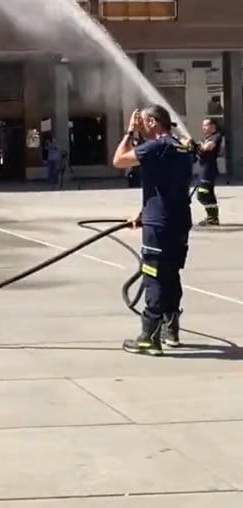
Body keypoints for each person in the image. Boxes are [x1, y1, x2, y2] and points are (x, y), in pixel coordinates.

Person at [112, 105, 194, 355]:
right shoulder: (182, 146)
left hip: (159, 225)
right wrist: (143, 211)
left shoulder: (156, 146)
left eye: (144, 123)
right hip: (178, 220)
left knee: (154, 276)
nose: (141, 127)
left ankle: (149, 336)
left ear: (152, 122)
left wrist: (128, 132)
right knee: (171, 274)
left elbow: (118, 161)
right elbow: (167, 183)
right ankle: (172, 329)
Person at [194, 118, 222, 226]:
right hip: (204, 169)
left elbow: (208, 147)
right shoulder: (207, 137)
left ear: (213, 126)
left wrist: (197, 146)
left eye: (206, 125)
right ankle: (213, 218)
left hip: (208, 170)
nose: (203, 128)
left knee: (202, 194)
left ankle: (212, 217)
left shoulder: (216, 136)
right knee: (209, 194)